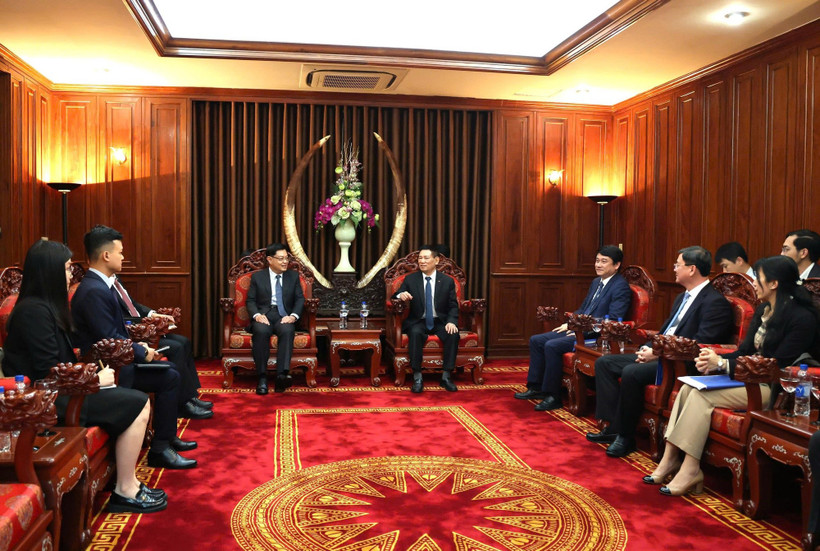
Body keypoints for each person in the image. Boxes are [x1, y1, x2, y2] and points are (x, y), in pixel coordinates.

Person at [2, 240, 167, 513]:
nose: (71, 275)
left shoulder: (45, 307)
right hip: (47, 400)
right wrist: (93, 380)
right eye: (67, 269)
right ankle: (125, 490)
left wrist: (91, 374)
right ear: (49, 272)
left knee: (132, 396)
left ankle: (129, 484)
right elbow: (47, 374)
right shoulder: (32, 312)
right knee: (137, 402)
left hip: (65, 391)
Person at [648, 255, 820, 496]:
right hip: (746, 378)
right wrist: (715, 361)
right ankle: (669, 459)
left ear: (774, 283)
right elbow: (744, 352)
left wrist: (724, 365)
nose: (754, 283)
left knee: (700, 396)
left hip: (772, 388)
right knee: (688, 388)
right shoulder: (764, 309)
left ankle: (690, 468)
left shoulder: (801, 317)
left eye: (758, 278)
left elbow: (778, 365)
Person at [587, 246, 734, 457]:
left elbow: (701, 344)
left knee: (631, 372)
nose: (674, 269)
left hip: (683, 363)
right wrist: (649, 347)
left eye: (677, 265)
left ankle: (626, 437)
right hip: (662, 354)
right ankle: (613, 427)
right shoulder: (682, 297)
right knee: (605, 363)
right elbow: (667, 330)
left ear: (691, 269)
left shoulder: (714, 303)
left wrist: (658, 352)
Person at [71, 225, 197, 469]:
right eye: (120, 252)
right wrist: (142, 351)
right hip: (108, 368)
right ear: (106, 255)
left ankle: (165, 441)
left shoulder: (100, 286)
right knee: (168, 374)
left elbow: (115, 332)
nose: (123, 257)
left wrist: (139, 345)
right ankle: (161, 448)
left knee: (170, 373)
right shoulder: (93, 291)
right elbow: (108, 338)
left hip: (118, 359)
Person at [515, 245, 632, 411]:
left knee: (552, 346)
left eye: (604, 262)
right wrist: (570, 323)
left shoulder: (620, 286)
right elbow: (583, 308)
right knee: (536, 340)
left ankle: (553, 396)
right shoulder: (596, 282)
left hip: (594, 336)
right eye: (597, 260)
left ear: (616, 265)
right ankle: (536, 387)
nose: (598, 265)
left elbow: (613, 318)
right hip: (578, 330)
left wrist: (582, 327)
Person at [114, 281, 213, 418]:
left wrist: (154, 315)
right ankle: (182, 404)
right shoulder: (103, 287)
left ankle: (190, 396)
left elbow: (133, 305)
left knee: (184, 342)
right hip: (135, 336)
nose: (122, 258)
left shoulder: (115, 280)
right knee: (176, 348)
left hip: (142, 328)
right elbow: (122, 320)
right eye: (120, 256)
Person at [392, 245, 460, 393]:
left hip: (440, 321)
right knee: (415, 333)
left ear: (436, 260)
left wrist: (451, 321)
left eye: (426, 258)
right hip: (418, 321)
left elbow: (453, 305)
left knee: (453, 334)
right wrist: (400, 295)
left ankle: (446, 376)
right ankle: (417, 377)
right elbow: (395, 296)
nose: (422, 261)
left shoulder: (447, 281)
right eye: (420, 258)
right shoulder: (411, 279)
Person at [246, 243, 304, 395]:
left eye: (286, 258)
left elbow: (299, 299)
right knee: (260, 330)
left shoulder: (293, 277)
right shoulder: (258, 277)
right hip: (264, 314)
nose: (285, 262)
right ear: (270, 260)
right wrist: (257, 315)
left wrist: (293, 316)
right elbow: (250, 301)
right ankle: (262, 377)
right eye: (281, 259)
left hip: (283, 315)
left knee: (287, 330)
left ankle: (281, 376)